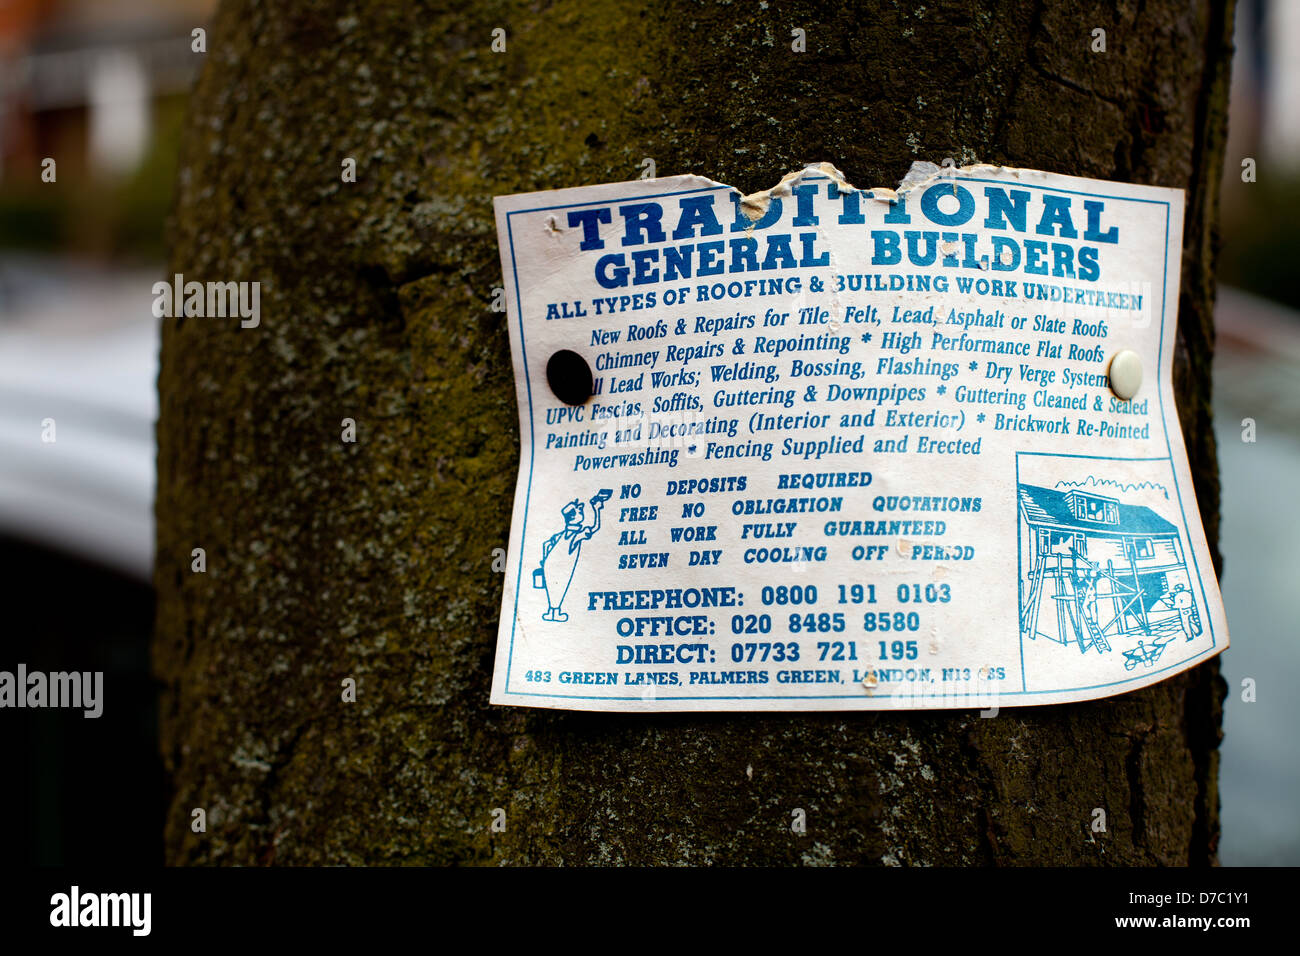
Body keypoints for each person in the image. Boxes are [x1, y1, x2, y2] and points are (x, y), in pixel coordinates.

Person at [538, 490, 610, 622]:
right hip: (562, 566)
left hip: (550, 565)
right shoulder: (574, 534)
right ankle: (555, 612)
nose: (581, 513)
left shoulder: (562, 534)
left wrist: (543, 560)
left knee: (554, 589)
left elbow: (546, 544)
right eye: (580, 512)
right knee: (560, 588)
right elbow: (594, 527)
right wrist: (596, 509)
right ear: (573, 517)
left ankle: (552, 612)